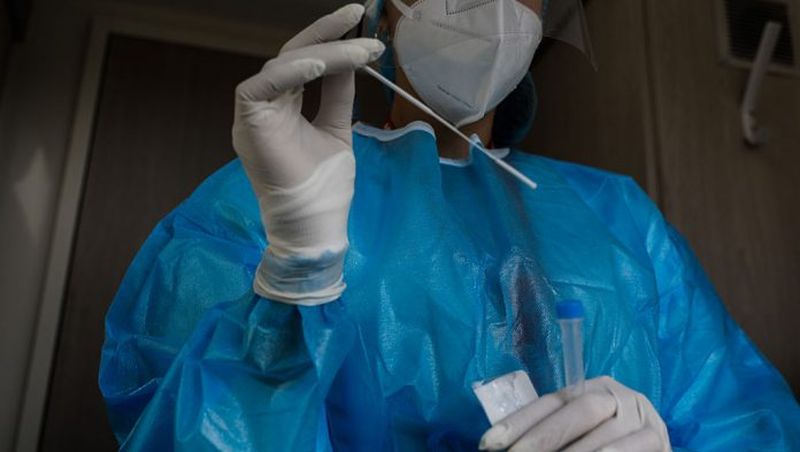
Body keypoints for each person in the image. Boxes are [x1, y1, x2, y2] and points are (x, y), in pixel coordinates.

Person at [99, 1, 800, 450]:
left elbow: (742, 420)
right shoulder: (265, 198)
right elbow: (188, 433)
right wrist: (296, 277)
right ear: (383, 15)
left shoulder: (618, 216)